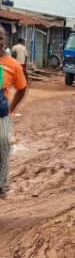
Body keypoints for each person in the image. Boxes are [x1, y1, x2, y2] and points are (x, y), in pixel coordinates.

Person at [0, 25, 27, 197]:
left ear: (5, 41)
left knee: (3, 146)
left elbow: (22, 88)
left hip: (1, 114)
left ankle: (2, 184)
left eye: (0, 37)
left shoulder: (13, 65)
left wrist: (11, 109)